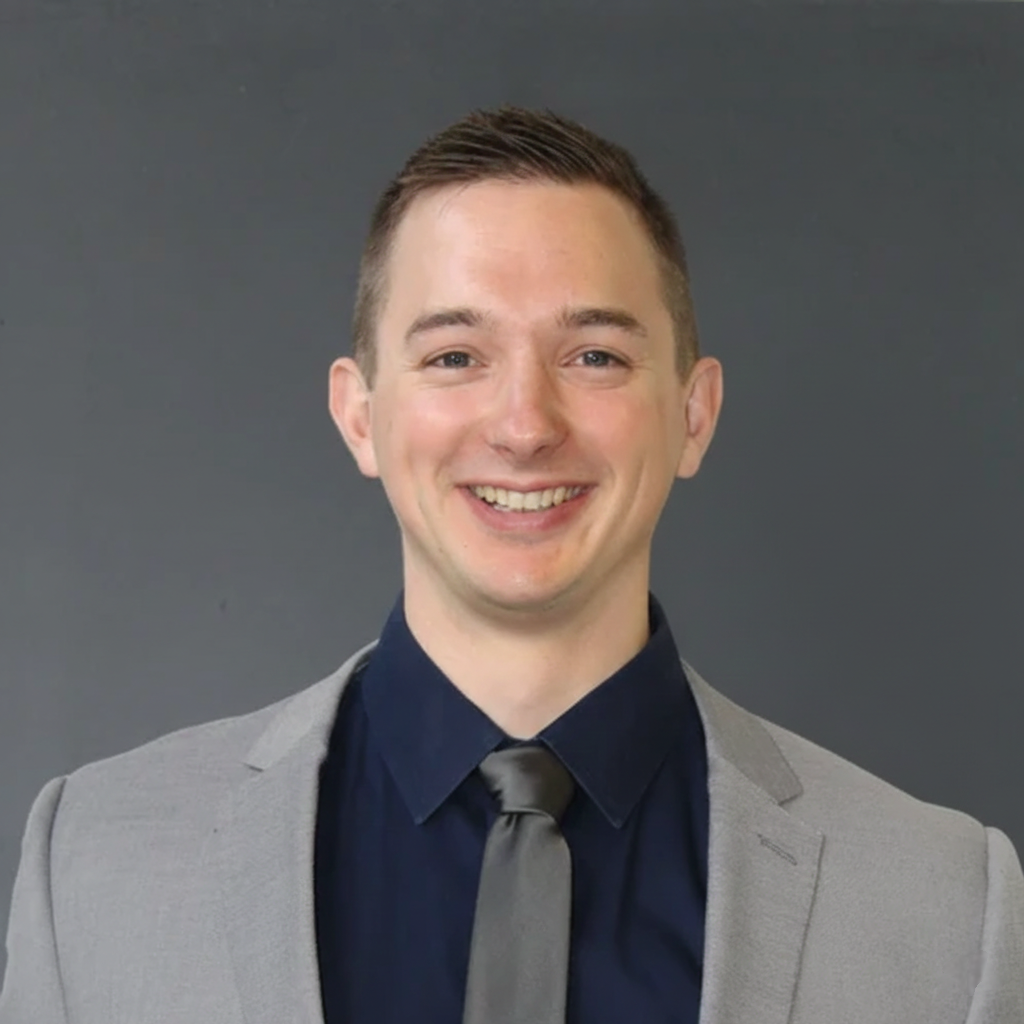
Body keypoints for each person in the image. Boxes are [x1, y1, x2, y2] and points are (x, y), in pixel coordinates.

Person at [2, 106, 1021, 1024]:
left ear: (693, 414)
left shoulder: (942, 906)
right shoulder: (93, 863)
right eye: (455, 356)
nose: (525, 426)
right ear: (360, 415)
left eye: (594, 357)